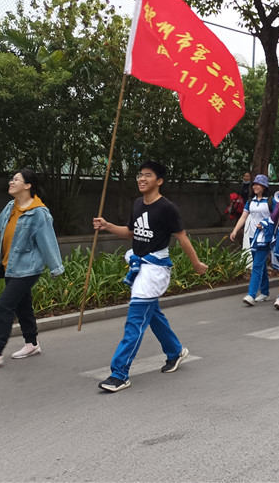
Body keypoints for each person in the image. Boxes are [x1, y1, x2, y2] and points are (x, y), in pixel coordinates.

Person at [92, 161, 207, 392]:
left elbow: (182, 237)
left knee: (135, 321)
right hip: (140, 266)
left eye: (148, 175)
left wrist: (196, 264)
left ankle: (119, 374)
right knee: (152, 313)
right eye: (140, 175)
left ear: (159, 181)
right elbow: (131, 233)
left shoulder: (167, 208)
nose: (142, 178)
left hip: (154, 270)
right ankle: (175, 351)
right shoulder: (137, 204)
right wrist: (107, 226)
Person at [0, 168, 65, 369]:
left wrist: (56, 268)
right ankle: (32, 344)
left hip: (28, 269)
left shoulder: (39, 213)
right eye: (12, 179)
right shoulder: (10, 207)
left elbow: (48, 241)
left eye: (16, 179)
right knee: (23, 306)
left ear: (28, 185)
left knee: (4, 305)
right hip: (10, 266)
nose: (11, 182)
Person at [230, 174, 274, 306]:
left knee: (257, 266)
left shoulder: (270, 201)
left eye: (258, 184)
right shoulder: (251, 201)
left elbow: (276, 217)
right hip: (252, 236)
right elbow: (244, 217)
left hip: (264, 237)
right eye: (254, 184)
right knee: (259, 264)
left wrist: (266, 224)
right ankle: (265, 292)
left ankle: (251, 294)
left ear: (264, 186)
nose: (255, 186)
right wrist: (235, 230)